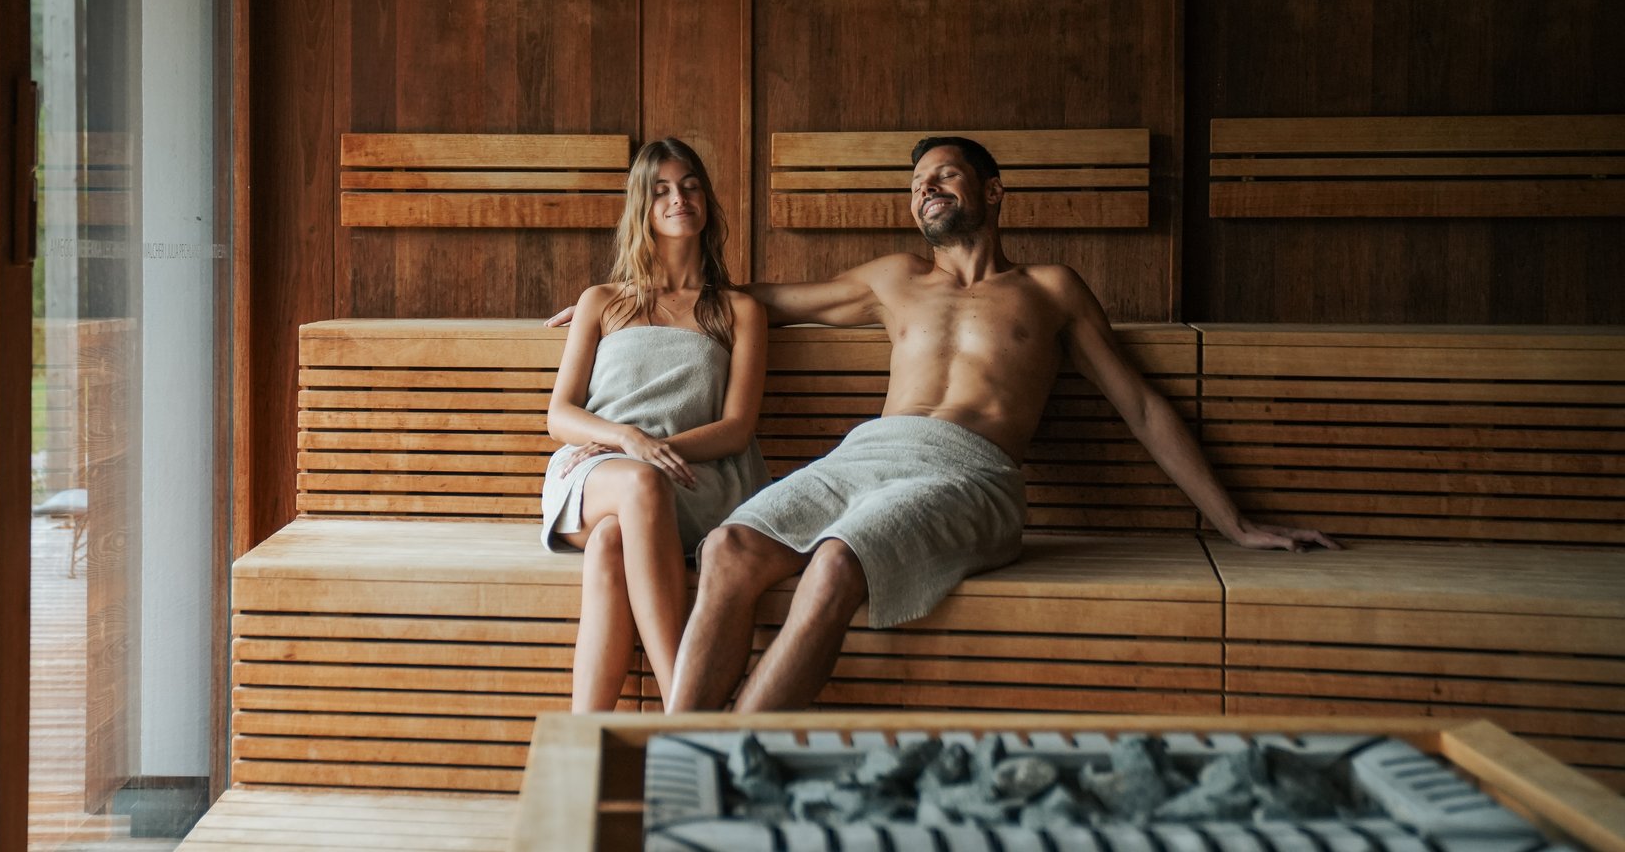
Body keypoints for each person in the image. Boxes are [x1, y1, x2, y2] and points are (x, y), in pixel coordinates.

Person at [552, 135, 1338, 714]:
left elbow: (1139, 405)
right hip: (867, 455)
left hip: (969, 473)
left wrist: (1232, 523)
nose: (927, 190)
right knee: (728, 547)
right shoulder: (895, 280)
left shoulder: (1051, 290)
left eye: (945, 176)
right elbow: (752, 299)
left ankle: (721, 771)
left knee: (833, 564)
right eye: (918, 182)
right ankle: (678, 761)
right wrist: (628, 299)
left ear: (992, 192)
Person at [542, 137, 770, 712]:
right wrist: (628, 442)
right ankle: (684, 712)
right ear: (641, 207)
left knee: (612, 543)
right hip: (597, 473)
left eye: (690, 184)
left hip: (694, 479)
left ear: (707, 201)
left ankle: (585, 742)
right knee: (638, 486)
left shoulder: (738, 310)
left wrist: (657, 451)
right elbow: (560, 413)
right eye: (661, 189)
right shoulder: (601, 302)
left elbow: (738, 426)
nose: (678, 197)